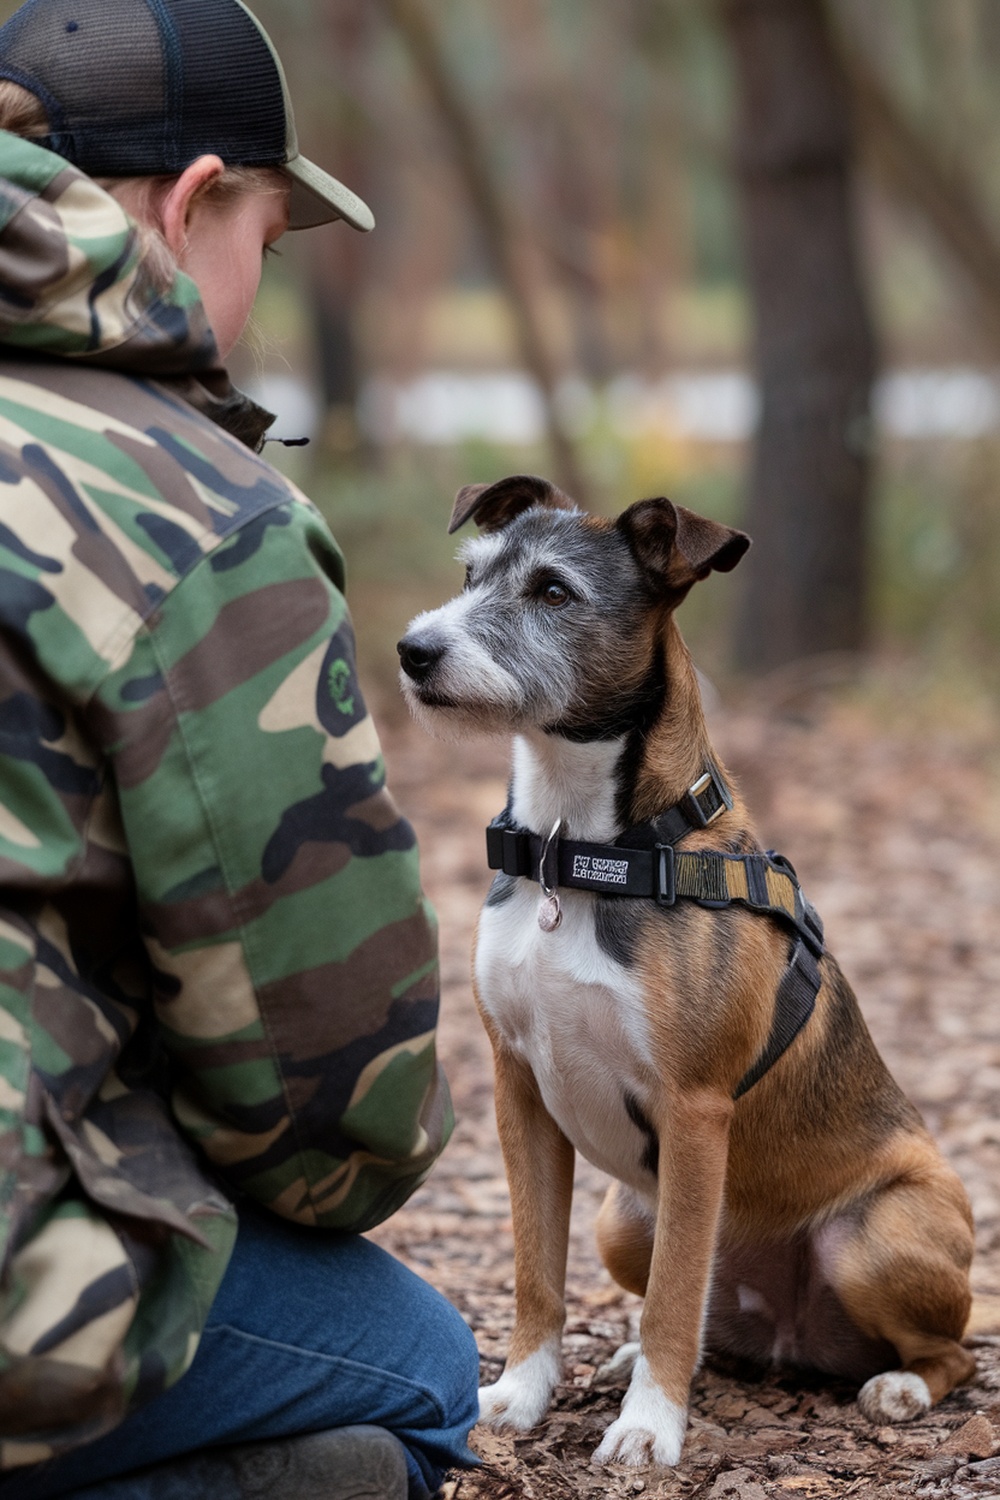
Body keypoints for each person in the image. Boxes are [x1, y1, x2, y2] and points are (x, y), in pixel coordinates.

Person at [0, 2, 480, 1498]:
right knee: (422, 1373)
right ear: (191, 202)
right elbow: (327, 1111)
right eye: (264, 241)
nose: (258, 291)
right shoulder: (187, 507)